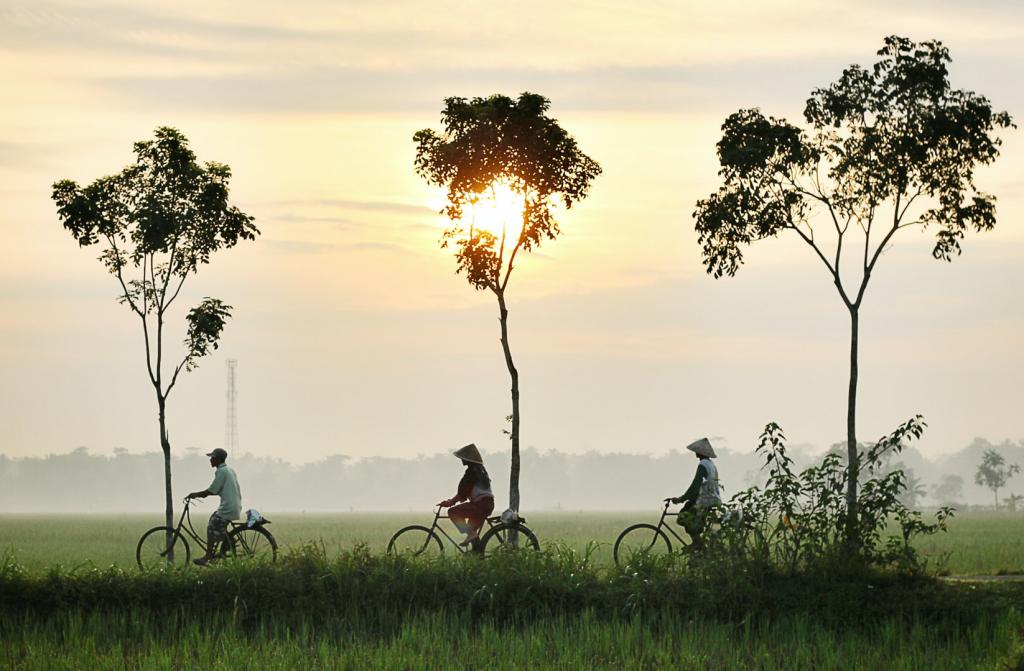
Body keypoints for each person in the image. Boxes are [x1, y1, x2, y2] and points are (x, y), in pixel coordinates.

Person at [186, 447, 242, 566]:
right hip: (233, 506)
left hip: (228, 508)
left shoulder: (221, 472)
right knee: (216, 521)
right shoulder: (229, 470)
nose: (210, 460)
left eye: (212, 458)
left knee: (212, 525)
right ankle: (228, 541)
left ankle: (208, 556)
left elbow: (212, 490)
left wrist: (194, 495)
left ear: (218, 459)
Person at [438, 443, 495, 551]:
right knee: (472, 534)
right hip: (487, 504)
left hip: (480, 505)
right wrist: (452, 500)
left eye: (463, 458)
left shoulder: (472, 472)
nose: (462, 460)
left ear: (468, 459)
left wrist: (450, 502)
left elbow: (463, 492)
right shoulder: (480, 470)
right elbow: (463, 492)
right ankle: (478, 556)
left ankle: (472, 534)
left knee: (453, 512)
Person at [668, 437, 721, 550]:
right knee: (711, 526)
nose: (695, 453)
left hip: (705, 500)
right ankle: (704, 547)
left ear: (700, 453)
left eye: (697, 451)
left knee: (684, 516)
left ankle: (697, 542)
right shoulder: (711, 465)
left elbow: (695, 486)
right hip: (714, 499)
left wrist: (681, 499)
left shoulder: (703, 465)